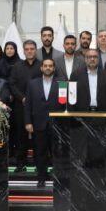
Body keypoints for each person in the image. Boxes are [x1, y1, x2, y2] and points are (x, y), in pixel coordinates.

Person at [24, 58, 62, 187]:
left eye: (50, 66)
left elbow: (65, 104)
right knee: (40, 152)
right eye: (45, 66)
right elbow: (28, 105)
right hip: (38, 123)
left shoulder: (62, 83)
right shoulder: (32, 84)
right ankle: (41, 177)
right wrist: (28, 122)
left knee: (57, 153)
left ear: (54, 68)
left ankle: (58, 179)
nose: (48, 68)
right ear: (41, 68)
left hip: (57, 125)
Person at [8, 40, 41, 172]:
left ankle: (39, 163)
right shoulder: (17, 66)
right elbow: (12, 84)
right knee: (20, 134)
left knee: (38, 135)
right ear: (23, 51)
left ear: (36, 50)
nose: (29, 51)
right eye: (27, 49)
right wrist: (22, 98)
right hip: (20, 105)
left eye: (32, 49)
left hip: (38, 106)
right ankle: (20, 163)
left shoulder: (42, 65)